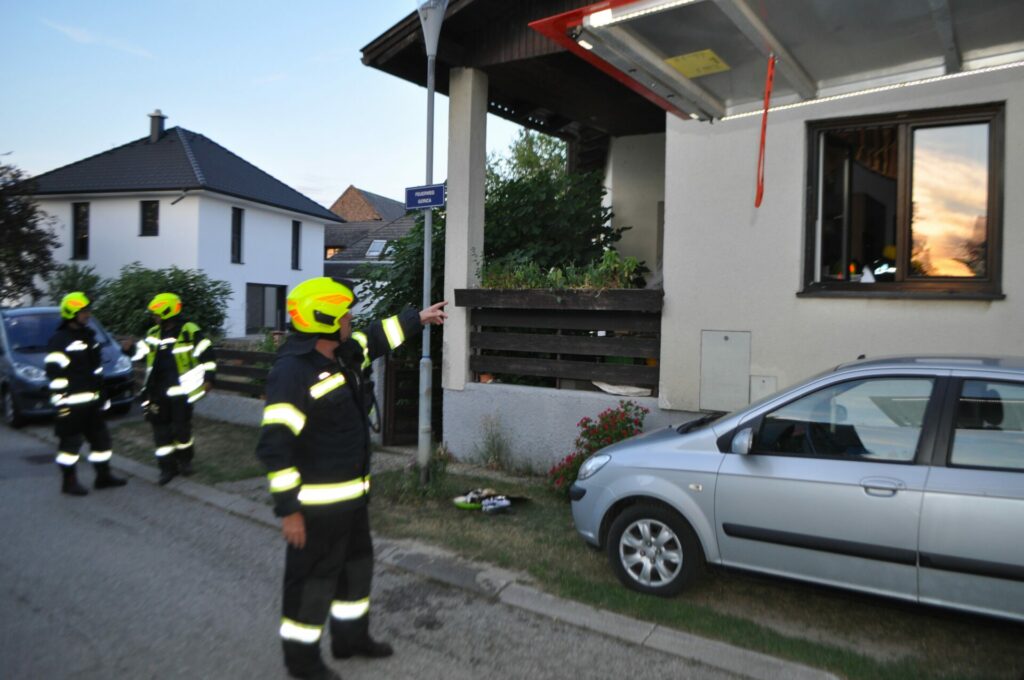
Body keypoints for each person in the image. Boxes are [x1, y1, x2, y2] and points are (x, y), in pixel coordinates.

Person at [255, 277, 446, 680]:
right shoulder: (292, 372)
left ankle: (350, 639)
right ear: (322, 320)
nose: (349, 320)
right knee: (312, 583)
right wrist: (289, 511)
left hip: (353, 501)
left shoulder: (343, 354)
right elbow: (274, 447)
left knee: (356, 571)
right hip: (315, 510)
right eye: (343, 315)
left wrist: (418, 318)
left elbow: (377, 337)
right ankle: (301, 661)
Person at [46, 292, 127, 495]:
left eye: (88, 310)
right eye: (84, 311)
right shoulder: (59, 340)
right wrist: (62, 404)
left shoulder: (88, 336)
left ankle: (103, 477)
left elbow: (96, 370)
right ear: (71, 313)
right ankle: (69, 482)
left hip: (92, 403)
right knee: (70, 446)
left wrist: (102, 395)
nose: (88, 315)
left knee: (102, 441)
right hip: (70, 406)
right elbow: (55, 376)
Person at [131, 292, 216, 485]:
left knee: (182, 430)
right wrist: (129, 349)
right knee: (160, 433)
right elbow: (140, 353)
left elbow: (207, 354)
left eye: (156, 313)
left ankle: (185, 461)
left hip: (181, 392)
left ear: (166, 312)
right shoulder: (153, 333)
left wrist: (210, 378)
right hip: (156, 392)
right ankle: (166, 469)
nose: (154, 317)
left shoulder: (189, 331)